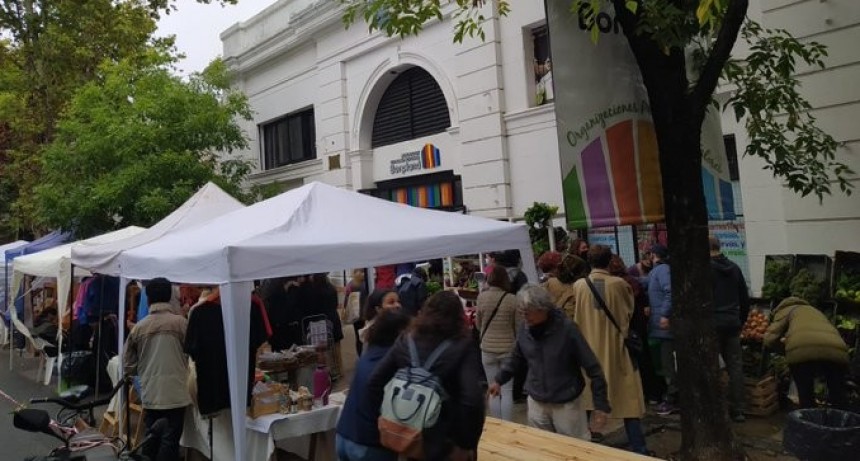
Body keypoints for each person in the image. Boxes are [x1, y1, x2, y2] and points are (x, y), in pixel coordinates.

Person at [367, 291, 485, 460]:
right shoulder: (463, 345)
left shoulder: (405, 339)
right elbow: (472, 400)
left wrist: (389, 419)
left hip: (410, 437)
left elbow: (374, 382)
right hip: (447, 441)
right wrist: (466, 444)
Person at [489, 284, 610, 441]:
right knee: (541, 446)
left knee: (574, 448)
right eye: (522, 312)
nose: (524, 317)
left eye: (528, 312)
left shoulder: (567, 329)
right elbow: (516, 357)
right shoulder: (525, 329)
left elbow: (593, 367)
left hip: (566, 404)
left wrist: (600, 405)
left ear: (543, 309)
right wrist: (499, 380)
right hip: (536, 401)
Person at [572, 246, 649, 454]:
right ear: (609, 261)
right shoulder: (620, 285)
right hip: (617, 350)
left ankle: (589, 441)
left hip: (589, 351)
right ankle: (639, 447)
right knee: (628, 400)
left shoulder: (579, 286)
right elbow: (629, 312)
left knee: (589, 398)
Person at [123, 278, 190, 461]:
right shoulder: (181, 323)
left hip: (151, 392)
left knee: (152, 437)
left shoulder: (139, 328)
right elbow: (193, 353)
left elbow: (128, 365)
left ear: (149, 298)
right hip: (176, 392)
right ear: (169, 296)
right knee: (170, 440)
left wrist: (142, 373)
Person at [336, 310, 411, 461]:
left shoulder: (369, 353)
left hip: (344, 434)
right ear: (400, 333)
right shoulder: (392, 360)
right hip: (368, 444)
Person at [764, 297, 849, 409]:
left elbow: (769, 340)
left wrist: (784, 350)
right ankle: (843, 423)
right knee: (838, 396)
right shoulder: (814, 311)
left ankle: (810, 421)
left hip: (803, 352)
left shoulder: (784, 311)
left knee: (806, 395)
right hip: (837, 350)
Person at [609, 255, 664, 405]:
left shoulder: (621, 283)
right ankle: (652, 393)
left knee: (639, 360)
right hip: (637, 325)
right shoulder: (630, 280)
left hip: (632, 327)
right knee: (643, 359)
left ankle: (649, 393)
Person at [709, 235, 751, 422]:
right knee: (735, 367)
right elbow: (744, 298)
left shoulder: (705, 270)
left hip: (713, 324)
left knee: (713, 367)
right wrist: (739, 320)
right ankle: (739, 409)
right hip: (732, 323)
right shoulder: (735, 268)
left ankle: (717, 408)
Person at [476, 265, 520, 421]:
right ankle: (507, 426)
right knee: (507, 390)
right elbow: (518, 326)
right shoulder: (513, 299)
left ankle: (496, 424)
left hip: (487, 349)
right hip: (508, 348)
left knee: (492, 388)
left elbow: (478, 324)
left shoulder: (481, 298)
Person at [646, 243, 677, 415]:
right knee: (666, 364)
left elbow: (669, 291)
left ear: (654, 255)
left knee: (668, 364)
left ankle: (672, 398)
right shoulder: (658, 271)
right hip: (662, 327)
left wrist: (665, 314)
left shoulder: (662, 270)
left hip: (665, 327)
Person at [343, 269, 369, 356]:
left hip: (359, 316)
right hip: (361, 315)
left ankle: (361, 356)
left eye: (363, 271)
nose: (363, 274)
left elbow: (346, 301)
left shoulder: (351, 284)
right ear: (355, 273)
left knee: (359, 338)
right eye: (360, 271)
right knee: (361, 338)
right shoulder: (366, 284)